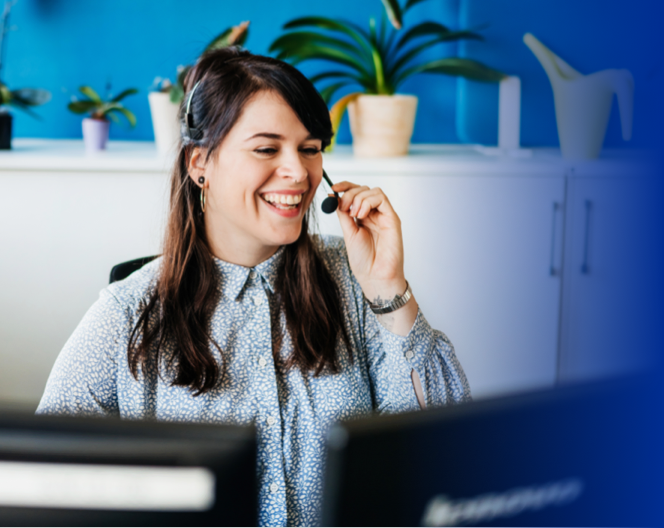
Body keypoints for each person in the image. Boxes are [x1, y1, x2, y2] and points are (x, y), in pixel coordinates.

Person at [37, 47, 470, 526]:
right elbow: (47, 486)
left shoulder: (354, 279)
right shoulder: (128, 313)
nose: (298, 173)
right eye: (267, 148)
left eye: (310, 148)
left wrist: (387, 290)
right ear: (200, 162)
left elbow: (449, 457)